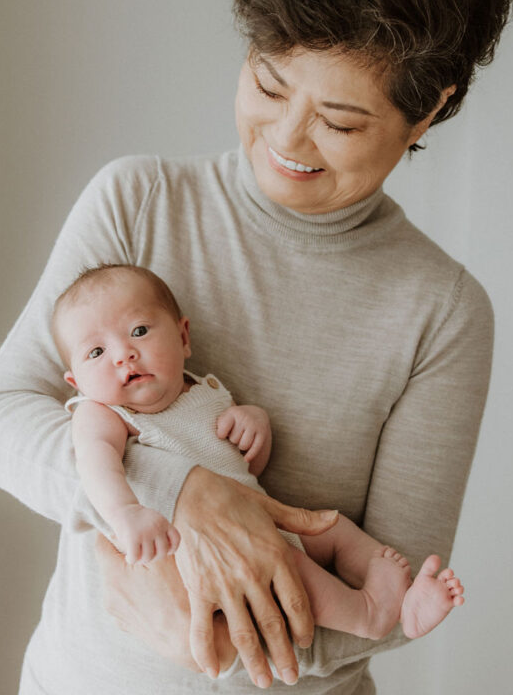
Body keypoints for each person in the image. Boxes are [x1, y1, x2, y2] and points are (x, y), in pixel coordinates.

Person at [0, 0, 513, 695]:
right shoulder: (138, 201)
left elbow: (396, 599)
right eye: (267, 83)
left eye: (339, 120)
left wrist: (193, 629)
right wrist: (188, 495)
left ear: (427, 110)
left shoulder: (443, 313)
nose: (288, 139)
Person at [54, 262, 466, 648]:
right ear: (77, 382)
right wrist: (126, 511)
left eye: (139, 330)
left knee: (332, 529)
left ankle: (403, 594)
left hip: (264, 514)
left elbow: (246, 470)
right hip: (213, 553)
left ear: (183, 337)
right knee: (287, 564)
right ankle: (371, 615)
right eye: (96, 353)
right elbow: (94, 459)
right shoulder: (103, 413)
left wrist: (255, 428)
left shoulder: (204, 391)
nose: (123, 353)